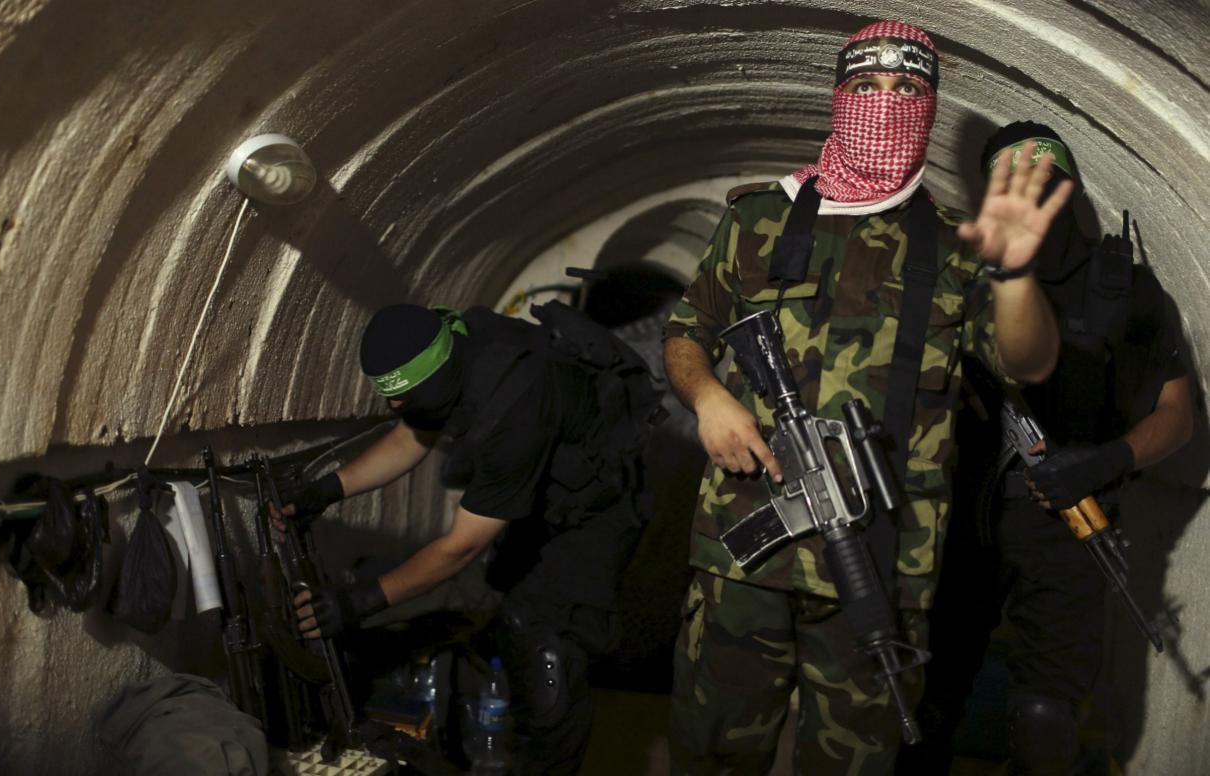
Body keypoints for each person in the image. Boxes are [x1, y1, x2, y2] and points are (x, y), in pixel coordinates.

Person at [662, 21, 1071, 775]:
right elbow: (687, 332)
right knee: (715, 752)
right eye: (867, 87)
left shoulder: (952, 246)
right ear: (837, 97)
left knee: (854, 763)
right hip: (746, 541)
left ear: (932, 106)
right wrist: (709, 397)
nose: (886, 105)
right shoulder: (759, 219)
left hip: (884, 559)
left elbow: (1030, 361)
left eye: (908, 89)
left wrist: (1015, 274)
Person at [897, 122, 1194, 776]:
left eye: (1050, 178)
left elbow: (1179, 415)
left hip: (1071, 523)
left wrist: (1108, 459)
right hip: (956, 519)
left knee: (1045, 713)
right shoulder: (961, 275)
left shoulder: (1124, 287)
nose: (1039, 193)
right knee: (924, 698)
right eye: (1019, 180)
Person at [270, 301, 659, 775]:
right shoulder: (453, 348)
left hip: (598, 512)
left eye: (403, 395)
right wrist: (327, 490)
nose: (394, 406)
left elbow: (462, 547)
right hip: (546, 496)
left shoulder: (513, 408)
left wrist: (360, 602)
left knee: (550, 657)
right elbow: (410, 436)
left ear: (436, 375)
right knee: (515, 620)